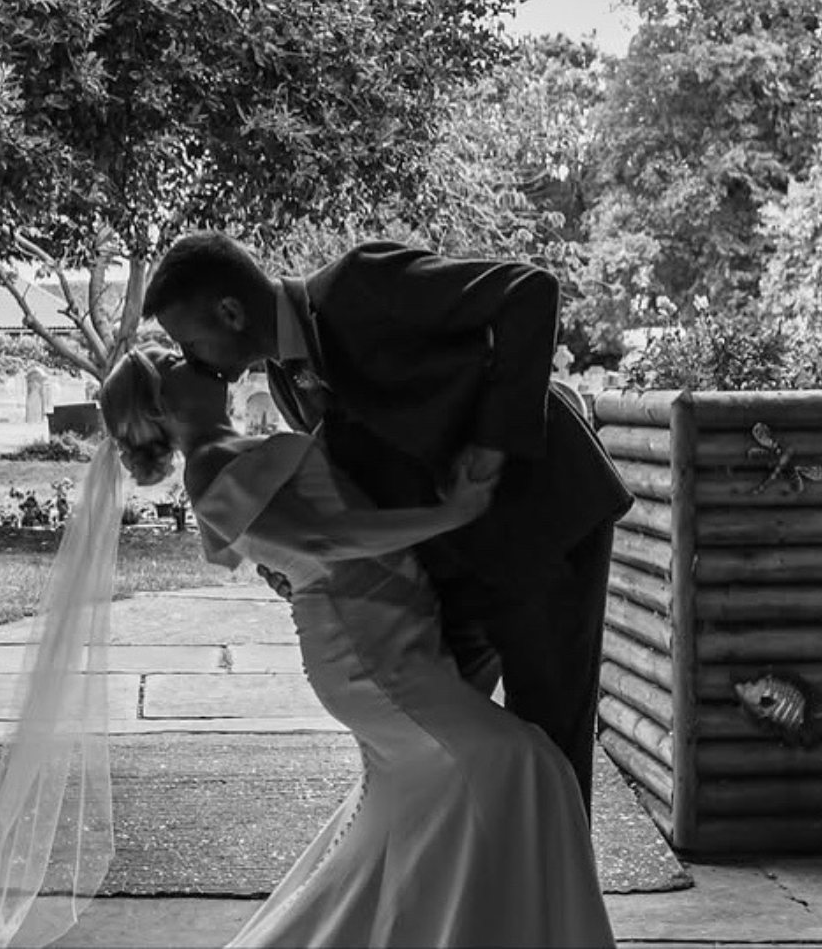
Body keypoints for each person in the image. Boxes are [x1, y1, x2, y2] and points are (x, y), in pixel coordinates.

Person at [97, 345, 616, 948]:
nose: (200, 361)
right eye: (176, 361)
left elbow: (290, 534)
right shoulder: (211, 465)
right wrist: (452, 513)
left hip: (382, 629)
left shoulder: (227, 452)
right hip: (367, 652)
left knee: (438, 800)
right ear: (164, 403)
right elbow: (327, 535)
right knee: (526, 763)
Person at [142, 232, 635, 814]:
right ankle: (483, 895)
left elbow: (530, 291)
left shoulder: (362, 282)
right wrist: (290, 559)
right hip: (451, 566)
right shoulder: (284, 382)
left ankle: (559, 901)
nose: (194, 362)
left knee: (550, 740)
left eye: (191, 343)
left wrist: (490, 446)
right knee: (443, 748)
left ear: (230, 312)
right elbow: (348, 500)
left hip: (544, 521)